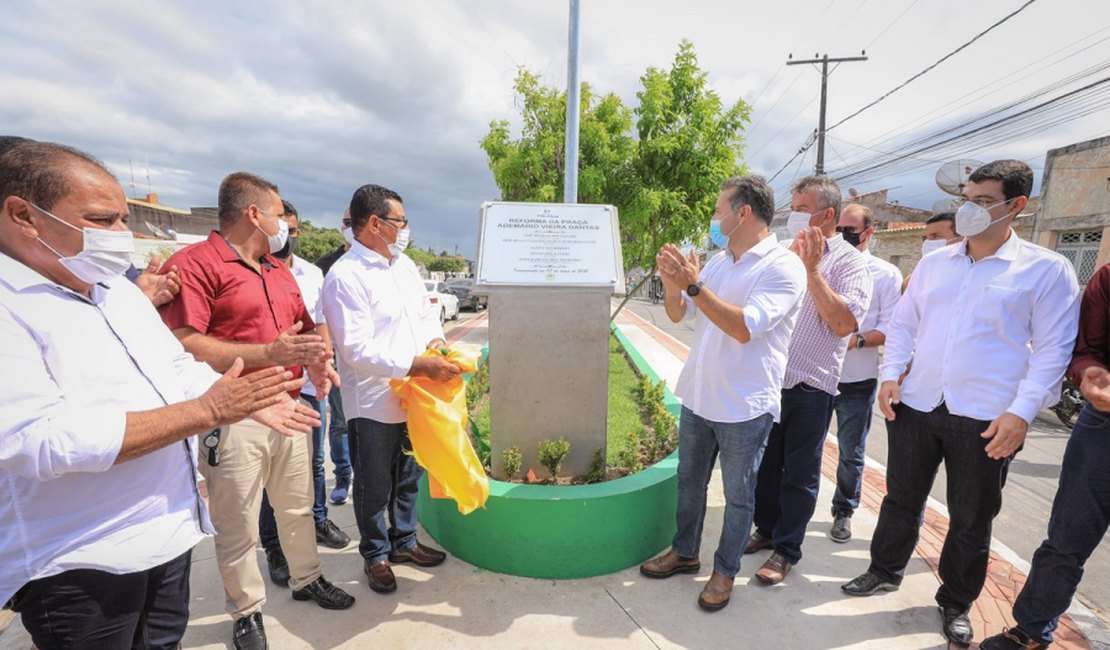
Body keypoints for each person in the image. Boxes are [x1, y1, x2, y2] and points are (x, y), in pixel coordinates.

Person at [0, 140, 318, 649]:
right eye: (104, 220)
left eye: (124, 218)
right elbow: (37, 440)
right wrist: (209, 409)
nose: (123, 235)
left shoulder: (118, 291)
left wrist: (245, 397)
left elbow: (173, 365)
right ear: (24, 215)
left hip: (169, 538)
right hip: (82, 564)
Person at [841, 160, 1081, 648]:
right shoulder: (935, 263)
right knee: (900, 497)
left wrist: (1021, 412)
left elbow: (1055, 349)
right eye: (966, 199)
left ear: (1018, 206)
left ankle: (955, 601)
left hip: (988, 417)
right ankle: (884, 569)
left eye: (983, 201)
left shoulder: (1045, 269)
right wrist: (891, 374)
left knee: (971, 516)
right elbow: (906, 324)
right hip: (918, 402)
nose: (969, 209)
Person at [160, 172, 354, 650]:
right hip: (233, 415)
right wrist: (269, 353)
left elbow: (303, 331)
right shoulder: (196, 264)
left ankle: (307, 578)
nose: (282, 222)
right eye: (276, 213)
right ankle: (246, 611)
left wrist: (319, 363)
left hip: (290, 408)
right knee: (238, 522)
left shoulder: (277, 269)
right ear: (254, 214)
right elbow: (184, 343)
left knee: (296, 507)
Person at [638, 175, 806, 611]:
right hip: (699, 395)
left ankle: (725, 570)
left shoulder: (781, 266)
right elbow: (679, 315)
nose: (714, 219)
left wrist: (694, 285)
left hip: (744, 406)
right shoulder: (717, 262)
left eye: (718, 211)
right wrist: (675, 285)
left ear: (743, 213)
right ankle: (684, 551)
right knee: (690, 482)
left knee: (738, 497)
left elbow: (744, 327)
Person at [321, 183, 457, 595]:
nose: (405, 228)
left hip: (415, 396)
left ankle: (405, 542)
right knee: (373, 483)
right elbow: (356, 349)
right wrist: (418, 364)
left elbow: (425, 317)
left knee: (409, 476)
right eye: (400, 220)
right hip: (374, 402)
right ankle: (375, 554)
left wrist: (436, 343)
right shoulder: (345, 276)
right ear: (375, 224)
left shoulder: (405, 266)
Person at [746, 175, 872, 586]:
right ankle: (766, 529)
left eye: (801, 208)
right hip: (769, 382)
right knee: (764, 467)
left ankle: (786, 549)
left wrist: (812, 270)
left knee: (799, 473)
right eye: (794, 207)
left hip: (810, 388)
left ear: (828, 215)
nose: (793, 215)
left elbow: (842, 324)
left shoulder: (851, 264)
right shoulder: (781, 253)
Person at [979, 261, 1110, 650]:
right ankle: (1032, 630)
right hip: (1103, 424)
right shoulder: (1107, 278)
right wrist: (1089, 373)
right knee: (1067, 537)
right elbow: (1087, 349)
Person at [258, 200, 351, 591]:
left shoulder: (312, 274)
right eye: (282, 228)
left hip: (310, 388)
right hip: (270, 391)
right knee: (272, 476)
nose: (287, 237)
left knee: (313, 463)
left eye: (293, 231)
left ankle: (316, 520)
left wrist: (325, 363)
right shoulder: (255, 271)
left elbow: (319, 323)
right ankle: (274, 546)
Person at [827, 204, 903, 542]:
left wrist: (855, 340)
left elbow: (892, 328)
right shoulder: (822, 264)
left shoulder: (885, 274)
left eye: (849, 229)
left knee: (851, 452)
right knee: (804, 447)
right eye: (838, 227)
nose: (842, 234)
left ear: (867, 233)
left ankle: (843, 510)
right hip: (816, 376)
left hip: (857, 380)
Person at [315, 208, 354, 506]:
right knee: (339, 421)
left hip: (375, 362)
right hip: (339, 358)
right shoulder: (325, 266)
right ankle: (343, 474)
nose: (351, 228)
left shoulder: (386, 265)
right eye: (347, 223)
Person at [903, 211, 962, 292]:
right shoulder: (913, 281)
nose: (927, 242)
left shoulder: (971, 276)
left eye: (936, 236)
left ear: (961, 239)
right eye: (924, 238)